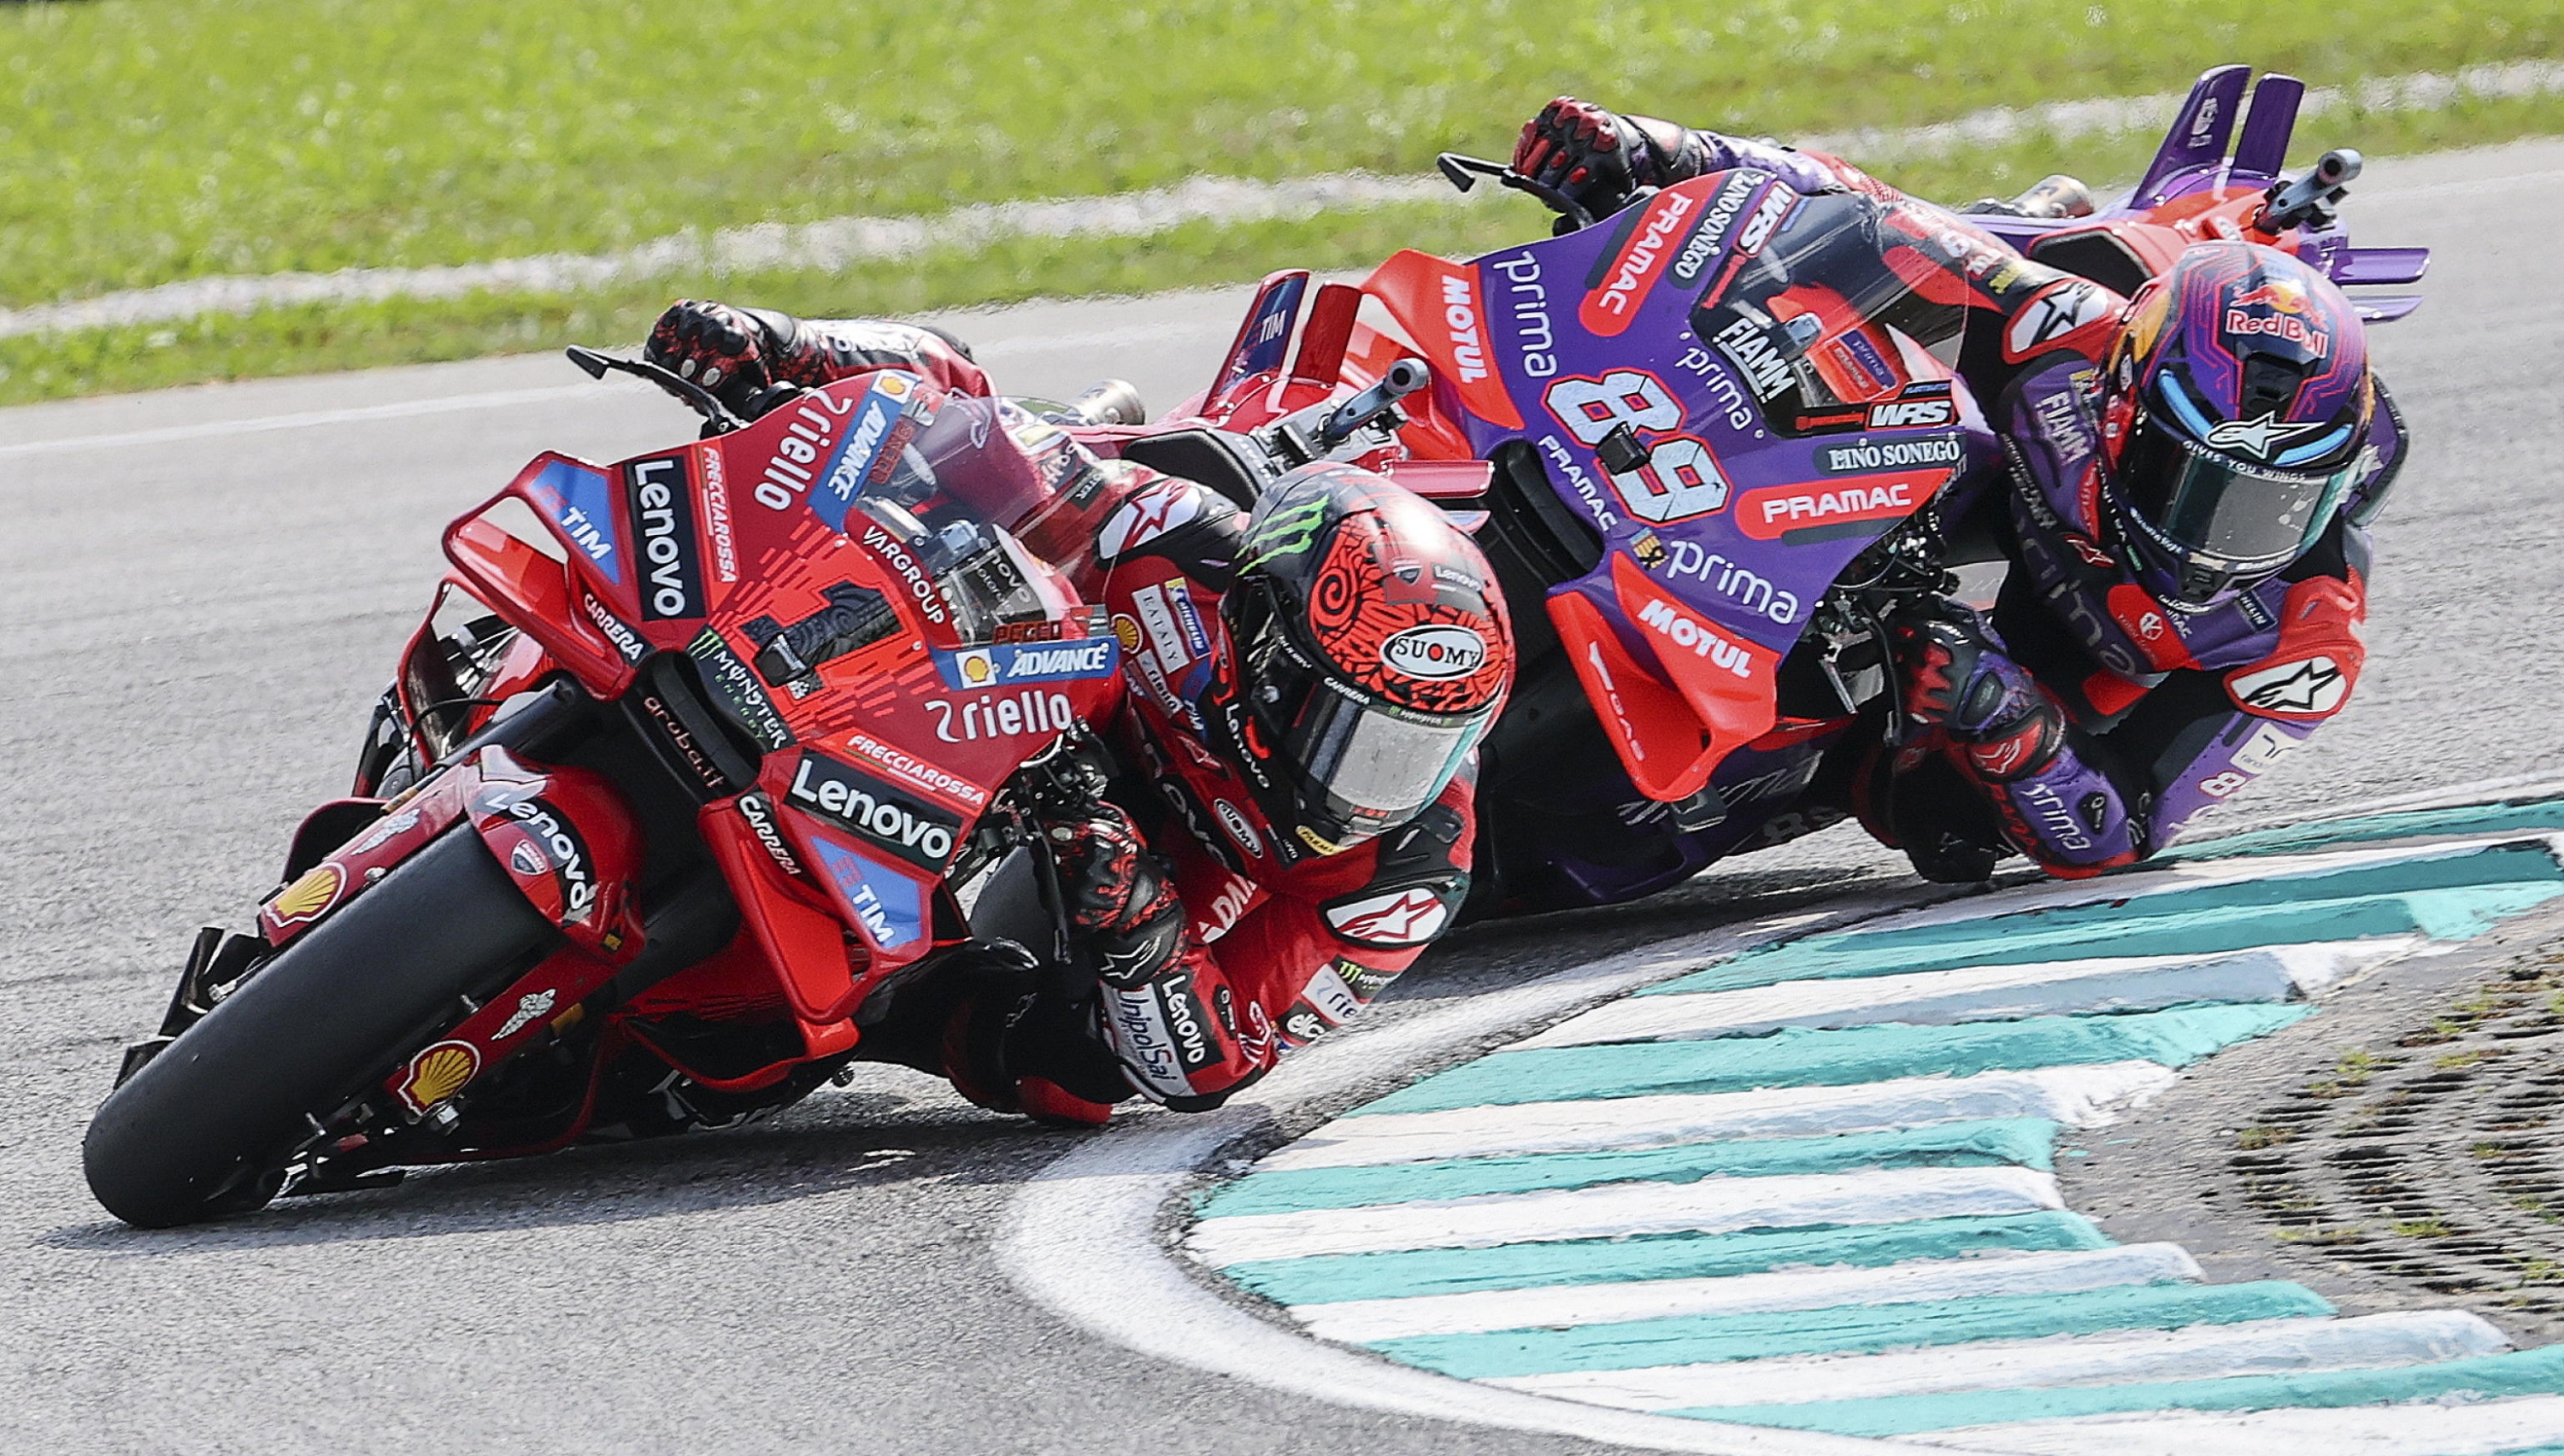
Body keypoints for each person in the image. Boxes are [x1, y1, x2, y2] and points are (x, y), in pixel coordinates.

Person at [644, 302, 1514, 1121]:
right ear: (1267, 646)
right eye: (1353, 734)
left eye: (1416, 750)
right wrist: (793, 344)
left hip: (1180, 866)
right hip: (1034, 705)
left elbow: (1220, 1063)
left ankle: (878, 1013)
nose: (1374, 786)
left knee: (1074, 1078)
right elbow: (970, 414)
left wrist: (1140, 924)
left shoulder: (1411, 872)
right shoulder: (1178, 541)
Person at [1511, 99, 2402, 881]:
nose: (2216, 538)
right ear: (2123, 410)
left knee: (1928, 817)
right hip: (1871, 524)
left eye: (2271, 506)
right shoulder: (2067, 334)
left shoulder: (2305, 642)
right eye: (2191, 484)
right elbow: (1877, 213)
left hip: (1966, 699)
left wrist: (2010, 720)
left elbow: (2121, 831)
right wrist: (1665, 150)